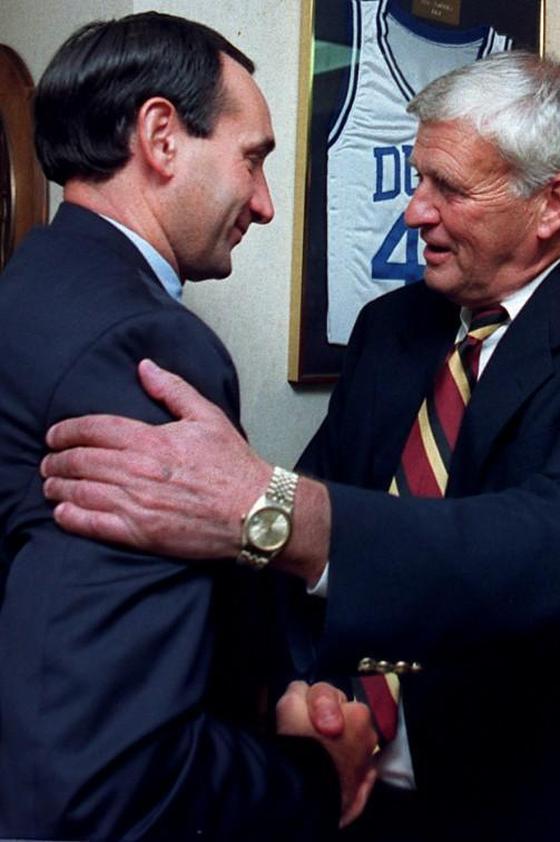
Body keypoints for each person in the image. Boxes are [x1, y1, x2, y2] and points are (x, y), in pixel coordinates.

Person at [40, 51, 560, 841]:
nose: (414, 212)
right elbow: (306, 543)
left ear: (553, 202)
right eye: (418, 179)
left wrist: (271, 507)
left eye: (448, 187)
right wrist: (298, 690)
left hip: (554, 806)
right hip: (366, 800)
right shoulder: (393, 329)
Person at [0, 14, 377, 840]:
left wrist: (276, 685)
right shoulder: (143, 344)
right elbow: (117, 780)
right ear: (162, 137)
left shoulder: (30, 284)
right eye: (253, 159)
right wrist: (315, 776)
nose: (267, 205)